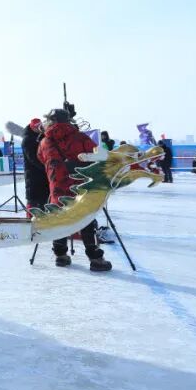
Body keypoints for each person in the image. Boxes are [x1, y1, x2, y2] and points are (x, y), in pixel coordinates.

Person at [37, 108, 111, 272]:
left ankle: (60, 255)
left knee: (60, 219)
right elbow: (101, 156)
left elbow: (41, 159)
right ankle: (95, 258)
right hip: (81, 188)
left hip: (57, 189)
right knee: (86, 220)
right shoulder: (80, 137)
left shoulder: (44, 142)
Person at [21, 118, 49, 209]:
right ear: (32, 127)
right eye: (37, 127)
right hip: (33, 173)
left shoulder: (43, 136)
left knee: (44, 197)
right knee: (33, 199)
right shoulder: (28, 140)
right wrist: (46, 167)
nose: (39, 129)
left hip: (43, 173)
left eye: (40, 127)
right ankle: (30, 218)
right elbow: (32, 158)